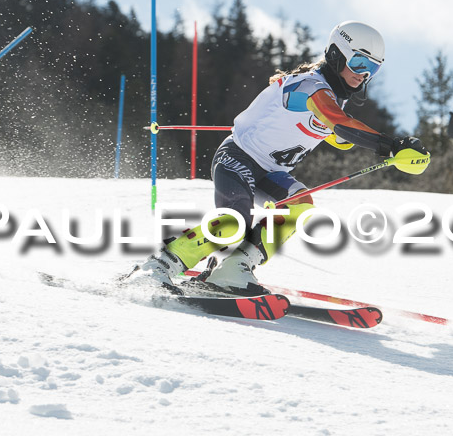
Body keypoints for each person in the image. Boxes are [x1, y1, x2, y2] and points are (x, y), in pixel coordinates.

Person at [141, 21, 428, 294]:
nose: (363, 74)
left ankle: (234, 267)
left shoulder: (331, 97)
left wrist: (343, 135)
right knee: (234, 220)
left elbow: (337, 131)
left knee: (300, 204)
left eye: (373, 69)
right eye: (360, 63)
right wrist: (391, 145)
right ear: (336, 54)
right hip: (238, 156)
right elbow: (339, 123)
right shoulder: (309, 86)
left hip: (270, 172)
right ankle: (162, 263)